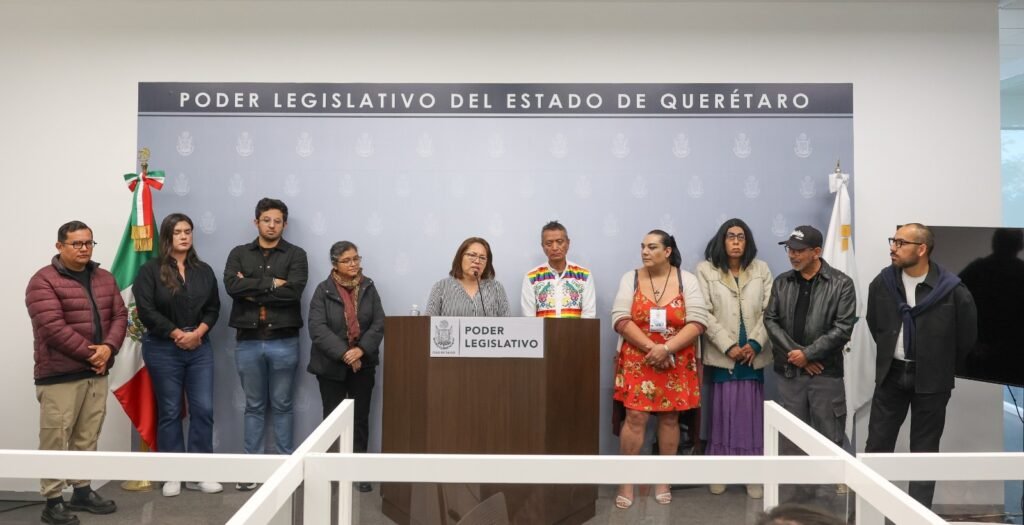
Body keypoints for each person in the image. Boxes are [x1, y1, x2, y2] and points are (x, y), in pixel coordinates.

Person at [864, 223, 977, 509]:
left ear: (922, 249)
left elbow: (966, 337)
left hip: (932, 380)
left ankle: (917, 514)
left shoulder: (952, 289)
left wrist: (939, 363)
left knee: (924, 451)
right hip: (891, 375)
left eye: (901, 243)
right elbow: (874, 323)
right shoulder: (883, 283)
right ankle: (873, 511)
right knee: (877, 446)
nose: (893, 248)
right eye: (893, 241)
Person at [26, 220, 126, 525]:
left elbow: (120, 315)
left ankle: (82, 491)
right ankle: (53, 501)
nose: (84, 249)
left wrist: (108, 348)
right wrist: (94, 354)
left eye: (88, 243)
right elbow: (52, 327)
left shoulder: (105, 278)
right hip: (60, 375)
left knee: (88, 435)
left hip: (96, 373)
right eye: (77, 243)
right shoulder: (42, 281)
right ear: (60, 246)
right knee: (56, 437)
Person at [611, 230, 708, 509]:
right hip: (638, 358)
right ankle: (626, 482)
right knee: (635, 417)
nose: (644, 251)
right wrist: (652, 348)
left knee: (669, 418)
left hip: (676, 359)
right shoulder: (630, 278)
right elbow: (620, 318)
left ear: (667, 252)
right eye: (643, 246)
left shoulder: (686, 280)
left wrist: (666, 349)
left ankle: (663, 479)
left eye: (652, 247)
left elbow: (698, 321)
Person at [132, 213, 222, 497]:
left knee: (203, 410)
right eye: (178, 232)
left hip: (199, 347)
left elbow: (213, 308)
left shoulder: (203, 270)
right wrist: (176, 334)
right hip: (163, 347)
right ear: (167, 236)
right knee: (170, 411)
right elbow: (146, 310)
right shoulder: (150, 270)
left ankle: (199, 474)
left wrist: (198, 333)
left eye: (188, 231)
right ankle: (172, 474)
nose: (184, 236)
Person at [224, 198, 308, 490]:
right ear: (256, 222)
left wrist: (250, 286)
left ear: (284, 224)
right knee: (254, 406)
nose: (272, 226)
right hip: (248, 341)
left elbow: (294, 293)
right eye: (266, 220)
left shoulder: (296, 255)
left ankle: (285, 470)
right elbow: (232, 287)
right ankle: (252, 470)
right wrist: (273, 283)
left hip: (284, 340)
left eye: (277, 221)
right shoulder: (239, 253)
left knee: (283, 405)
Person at [764, 225, 855, 495]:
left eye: (799, 250)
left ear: (816, 252)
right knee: (792, 436)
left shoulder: (841, 283)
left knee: (828, 432)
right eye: (789, 249)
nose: (792, 255)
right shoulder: (782, 282)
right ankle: (796, 493)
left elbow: (843, 328)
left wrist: (809, 354)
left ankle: (829, 492)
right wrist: (799, 356)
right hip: (790, 372)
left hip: (825, 373)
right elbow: (770, 320)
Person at [695, 218, 773, 499]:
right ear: (722, 240)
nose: (736, 242)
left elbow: (770, 311)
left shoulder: (761, 269)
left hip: (753, 356)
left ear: (747, 241)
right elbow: (703, 312)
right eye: (731, 236)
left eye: (741, 236)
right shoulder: (705, 270)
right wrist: (728, 346)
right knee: (723, 414)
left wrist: (754, 343)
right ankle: (721, 471)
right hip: (722, 355)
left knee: (750, 417)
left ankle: (753, 475)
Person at [307, 241, 385, 493]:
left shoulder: (369, 286)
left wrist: (361, 350)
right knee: (332, 421)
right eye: (347, 260)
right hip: (331, 366)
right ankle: (332, 473)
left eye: (356, 259)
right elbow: (317, 328)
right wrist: (346, 354)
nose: (353, 264)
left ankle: (358, 471)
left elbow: (378, 323)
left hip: (364, 364)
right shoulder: (323, 290)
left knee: (360, 418)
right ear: (335, 264)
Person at [521, 221, 596, 318]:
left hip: (577, 329)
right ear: (542, 246)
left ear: (568, 243)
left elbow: (589, 316)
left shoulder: (584, 276)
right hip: (542, 329)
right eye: (549, 243)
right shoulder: (531, 277)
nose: (555, 248)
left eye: (560, 242)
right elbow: (529, 318)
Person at [425, 236, 511, 317]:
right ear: (460, 257)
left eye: (482, 258)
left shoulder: (496, 288)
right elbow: (428, 323)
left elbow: (508, 323)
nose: (477, 261)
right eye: (472, 255)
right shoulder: (441, 287)